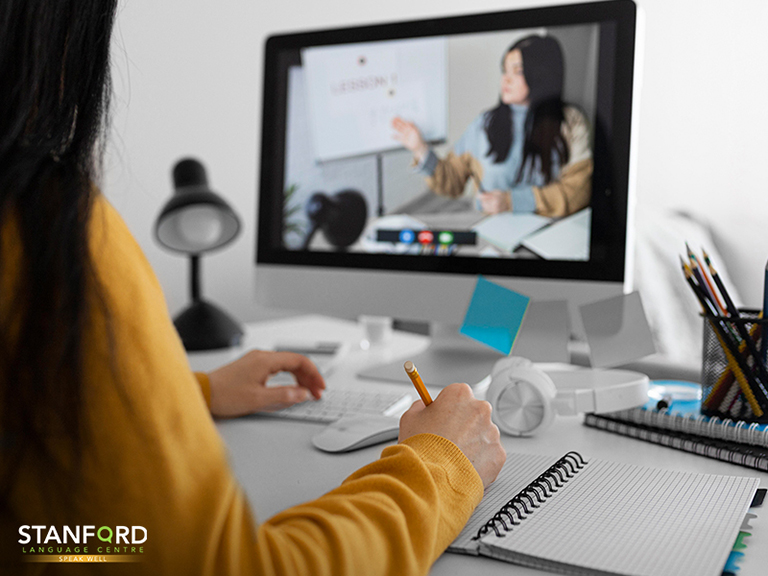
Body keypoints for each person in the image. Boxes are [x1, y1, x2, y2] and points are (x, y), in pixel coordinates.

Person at [0, 2, 506, 574]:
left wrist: (188, 393)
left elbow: (42, 537)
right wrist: (440, 465)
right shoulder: (46, 237)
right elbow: (220, 567)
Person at [392, 35, 592, 218]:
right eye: (504, 70)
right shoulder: (485, 123)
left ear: (542, 73)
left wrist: (512, 201)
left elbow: (578, 191)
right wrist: (420, 149)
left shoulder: (571, 122)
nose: (505, 79)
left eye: (518, 71)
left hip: (549, 238)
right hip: (492, 234)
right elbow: (451, 181)